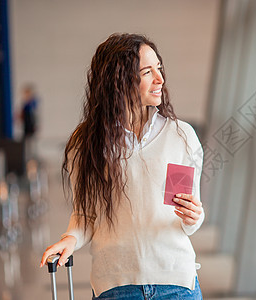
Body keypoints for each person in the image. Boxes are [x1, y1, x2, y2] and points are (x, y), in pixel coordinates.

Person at [39, 33, 205, 299]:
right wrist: (70, 239)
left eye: (159, 69)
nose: (160, 79)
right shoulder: (86, 144)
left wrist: (194, 216)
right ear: (119, 80)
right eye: (147, 72)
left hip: (176, 284)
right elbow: (86, 214)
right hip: (116, 285)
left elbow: (183, 213)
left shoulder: (180, 136)